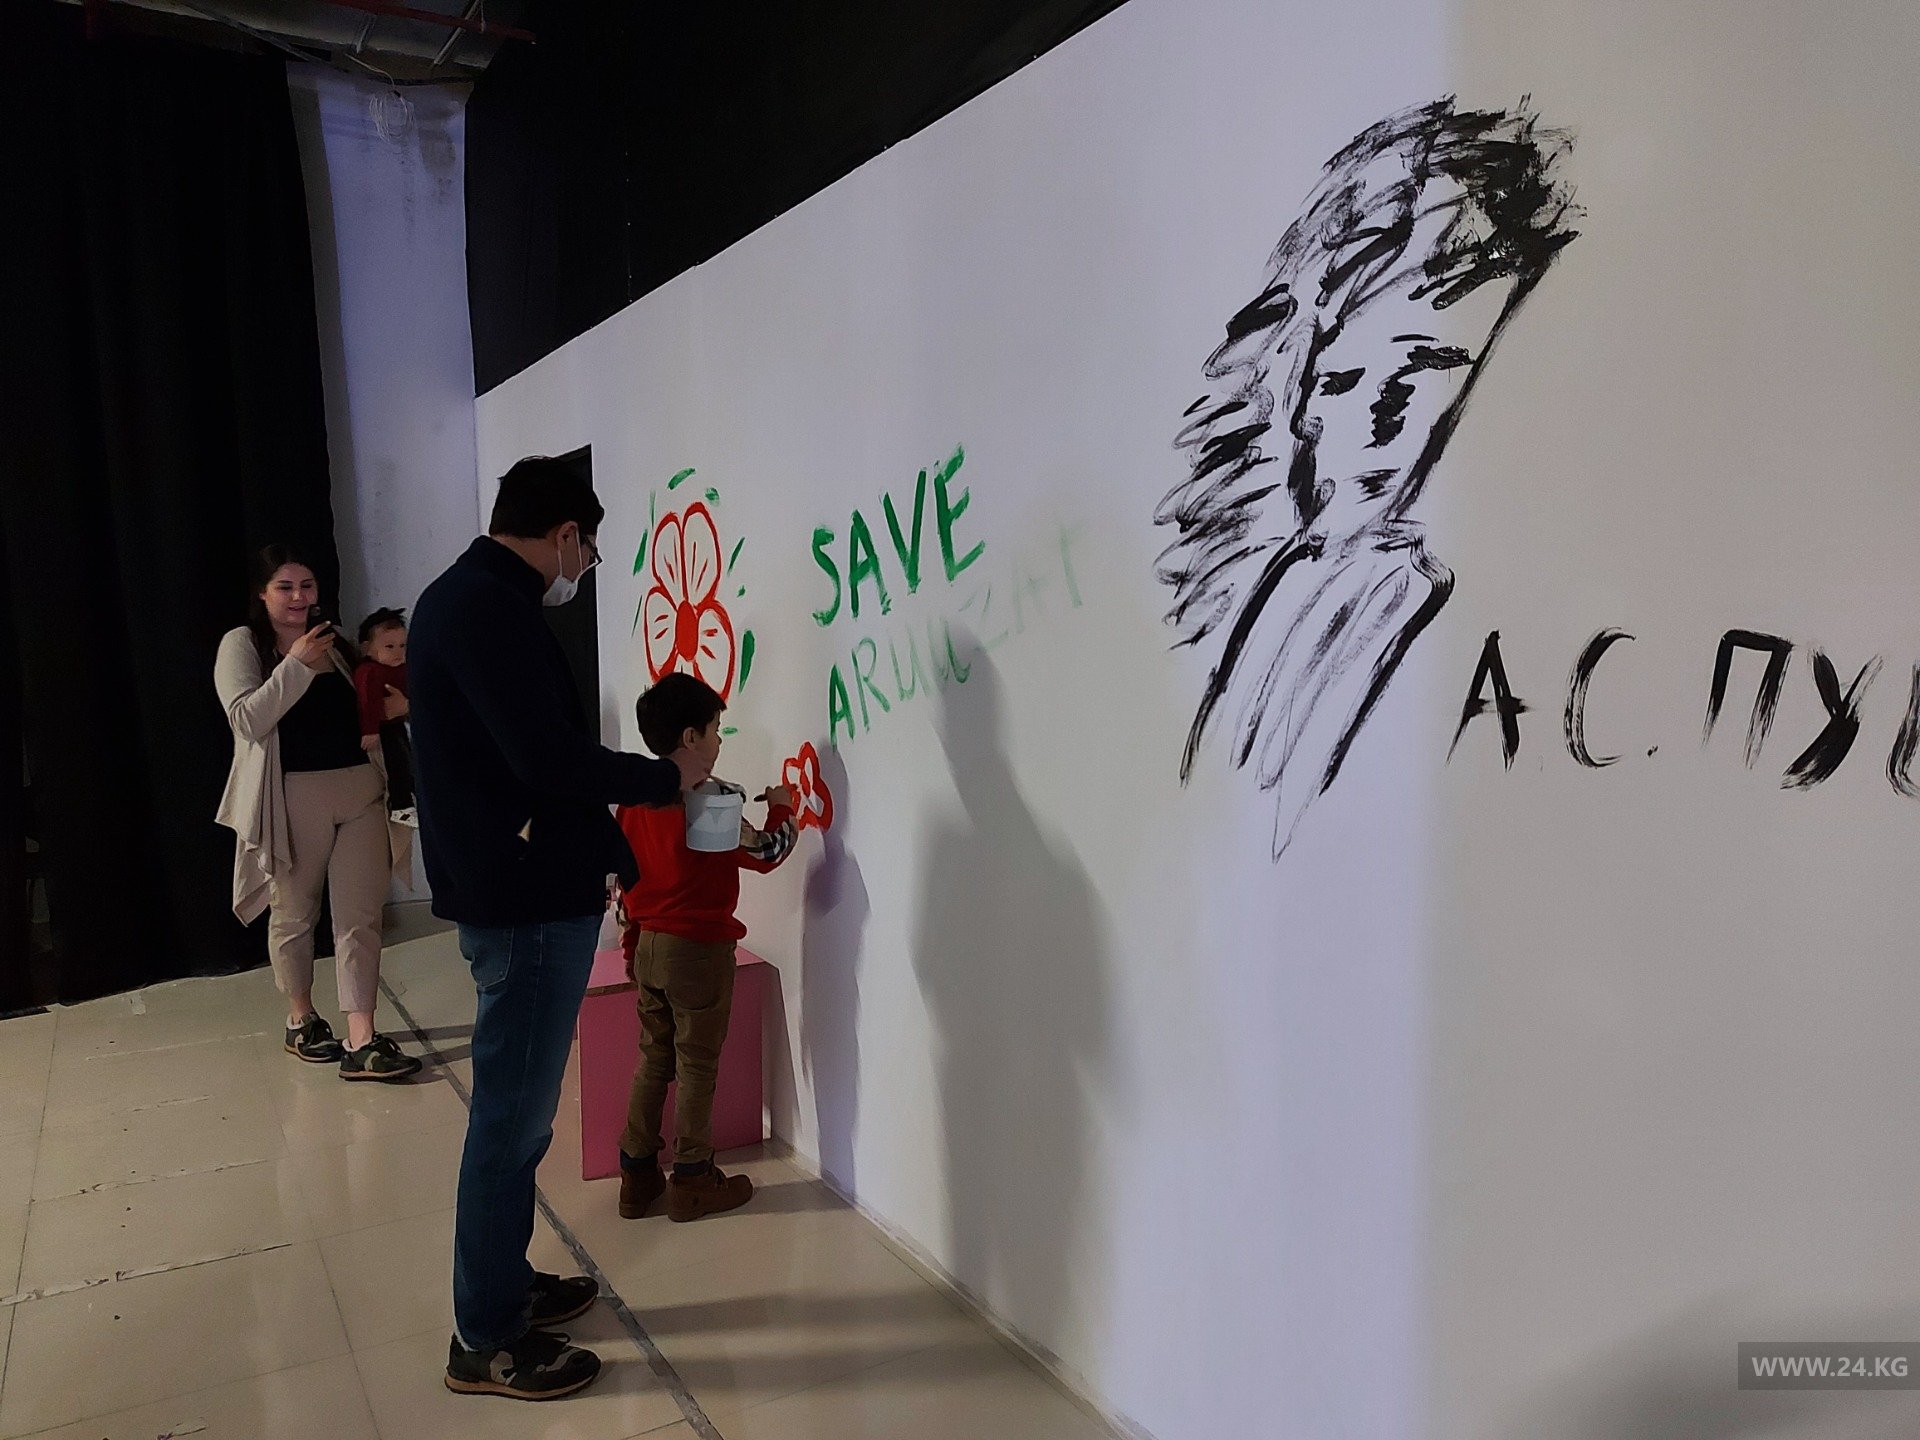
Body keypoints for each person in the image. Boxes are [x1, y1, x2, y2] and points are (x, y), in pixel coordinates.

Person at [1153, 98, 1579, 858]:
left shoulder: (1438, 603)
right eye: (1340, 380)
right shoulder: (1295, 578)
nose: (1372, 422)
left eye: (1422, 371)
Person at [410, 454, 708, 1402]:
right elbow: (544, 758)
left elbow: (520, 758)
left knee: (519, 1119)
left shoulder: (467, 599)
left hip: (519, 882)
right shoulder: (486, 608)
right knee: (511, 1121)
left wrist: (612, 840)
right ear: (567, 534)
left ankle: (505, 1286)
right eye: (588, 549)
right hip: (525, 897)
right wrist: (665, 779)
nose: (584, 567)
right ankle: (485, 1337)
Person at [213, 545, 422, 1082]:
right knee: (295, 912)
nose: (298, 597)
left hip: (361, 792)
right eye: (285, 587)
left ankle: (362, 1037)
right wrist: (296, 665)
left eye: (306, 586)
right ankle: (301, 1019)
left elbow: (377, 703)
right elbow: (246, 720)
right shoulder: (243, 643)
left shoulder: (336, 642)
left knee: (361, 917)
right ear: (263, 594)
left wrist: (405, 706)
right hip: (292, 796)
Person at [613, 673, 797, 1224]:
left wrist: (632, 941)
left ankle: (636, 1173)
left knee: (654, 1058)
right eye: (716, 729)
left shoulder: (634, 801)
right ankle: (693, 1178)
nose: (719, 740)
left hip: (648, 944)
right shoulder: (708, 800)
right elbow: (766, 852)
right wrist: (784, 808)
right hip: (697, 950)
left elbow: (625, 882)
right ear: (691, 737)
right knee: (697, 1064)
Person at [354, 607, 416, 827]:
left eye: (402, 645)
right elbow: (367, 703)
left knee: (407, 759)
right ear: (367, 648)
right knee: (396, 763)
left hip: (397, 723)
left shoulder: (402, 668)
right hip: (383, 729)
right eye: (389, 647)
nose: (398, 652)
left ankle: (411, 797)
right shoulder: (370, 672)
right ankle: (401, 806)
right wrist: (370, 729)